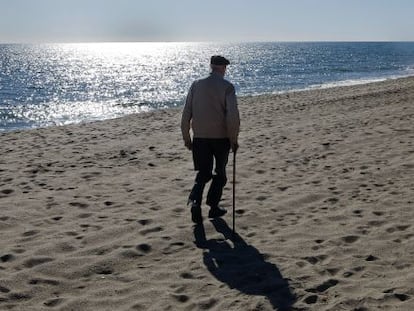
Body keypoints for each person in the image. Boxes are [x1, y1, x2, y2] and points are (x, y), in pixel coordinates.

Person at [181, 55, 240, 224]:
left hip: (199, 138)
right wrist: (233, 139)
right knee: (219, 174)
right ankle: (213, 207)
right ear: (223, 68)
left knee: (203, 173)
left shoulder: (196, 85)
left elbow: (186, 114)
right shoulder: (227, 87)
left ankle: (195, 202)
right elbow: (232, 117)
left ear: (211, 66)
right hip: (220, 138)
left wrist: (187, 138)